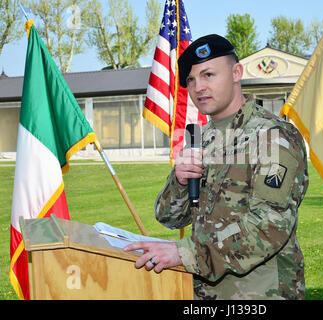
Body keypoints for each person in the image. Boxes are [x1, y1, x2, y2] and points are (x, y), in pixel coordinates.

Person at [124, 34, 309, 300]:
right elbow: (169, 217)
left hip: (259, 293)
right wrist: (179, 181)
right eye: (191, 80)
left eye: (209, 75)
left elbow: (269, 226)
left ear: (236, 73)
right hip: (203, 293)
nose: (198, 87)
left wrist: (183, 253)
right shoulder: (201, 137)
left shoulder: (273, 137)